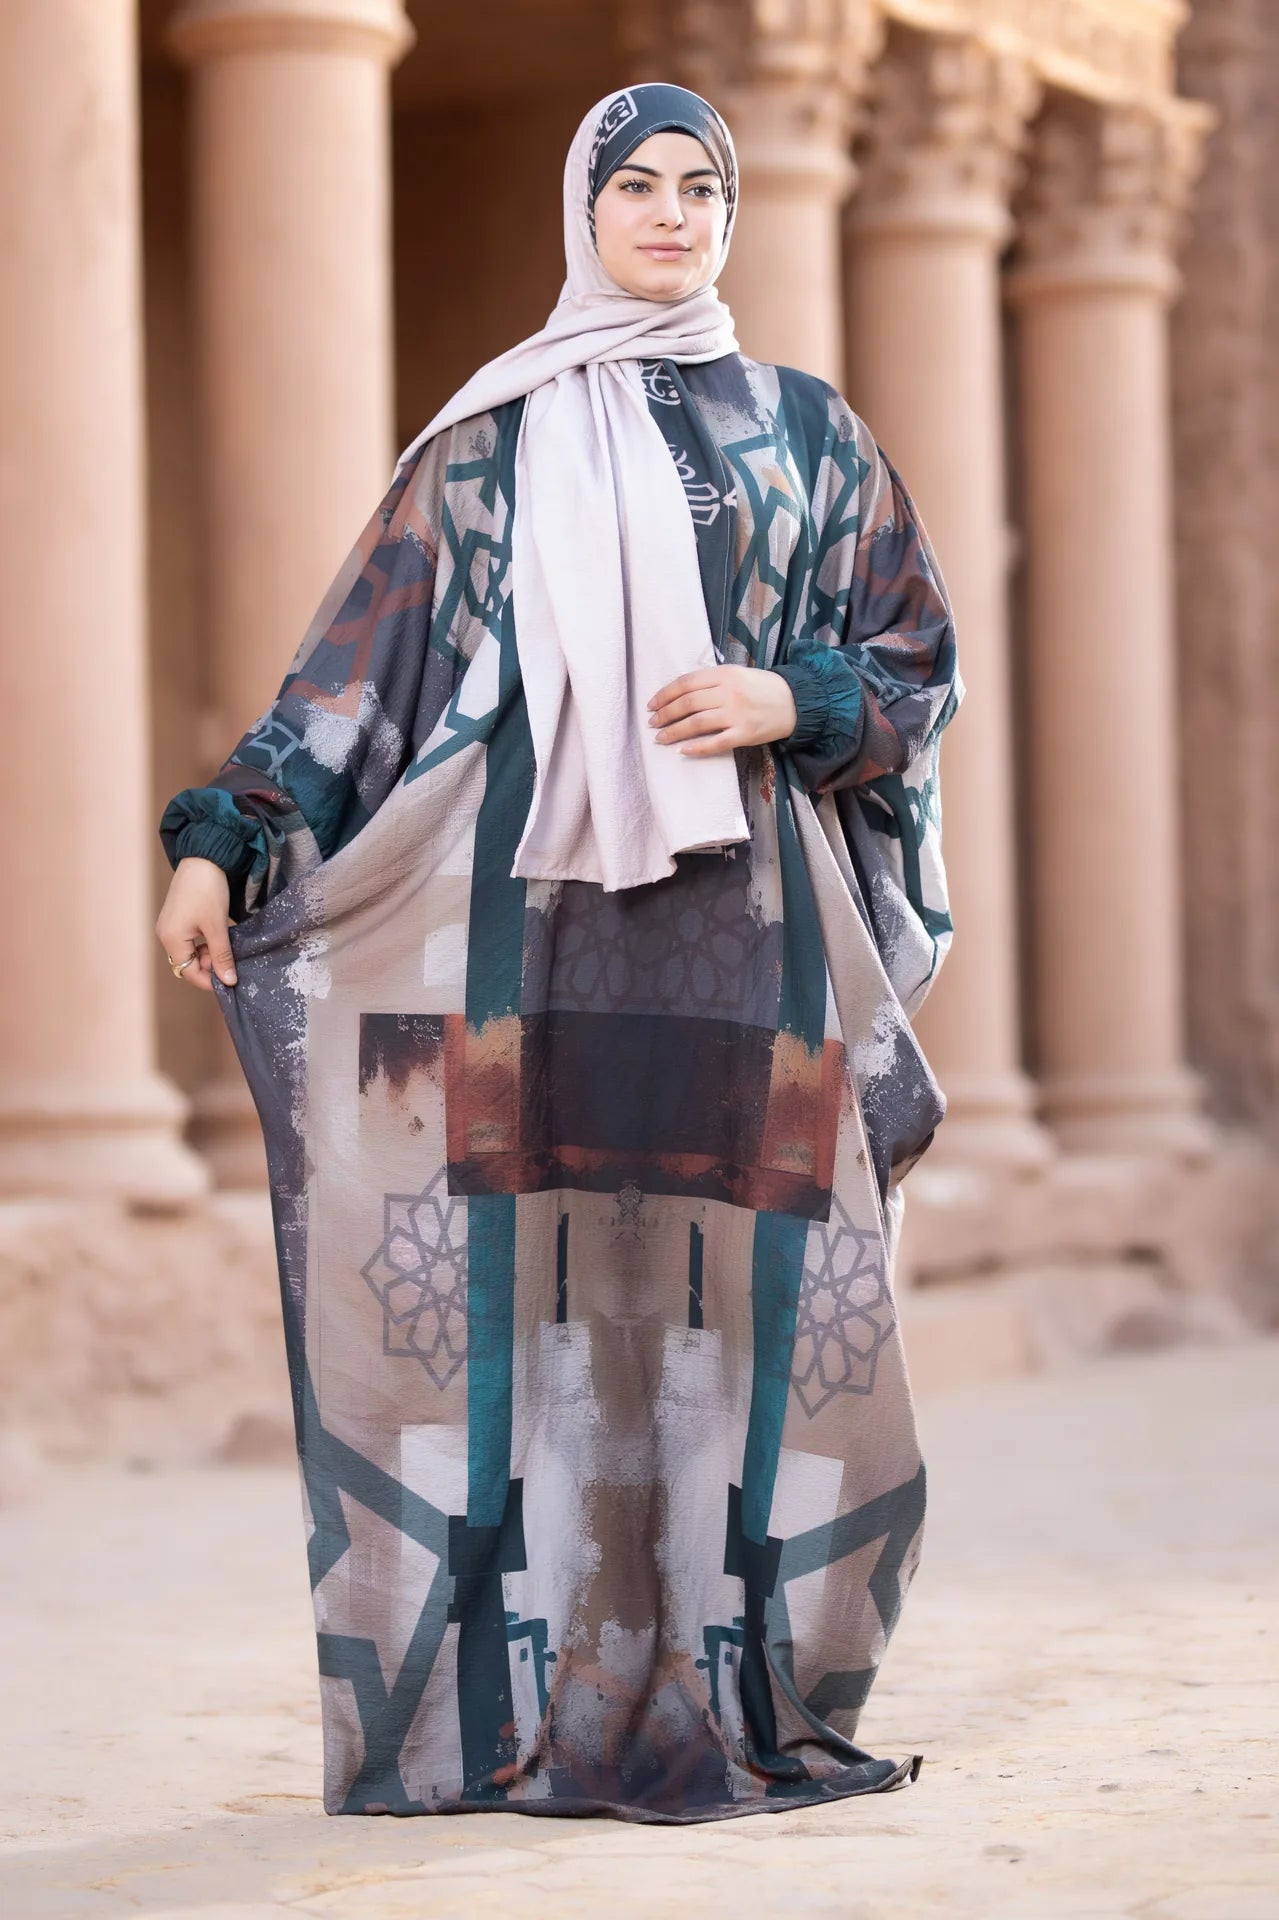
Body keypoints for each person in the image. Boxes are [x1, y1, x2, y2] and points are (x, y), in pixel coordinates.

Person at [156, 82, 963, 1823]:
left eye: (701, 188)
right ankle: (512, 1721)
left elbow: (916, 659)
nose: (671, 214)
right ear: (584, 210)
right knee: (520, 1318)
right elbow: (353, 681)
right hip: (515, 945)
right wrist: (225, 841)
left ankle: (732, 1703)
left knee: (745, 1318)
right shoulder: (486, 447)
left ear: (731, 215)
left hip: (751, 940)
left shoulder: (812, 436)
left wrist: (794, 697)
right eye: (637, 185)